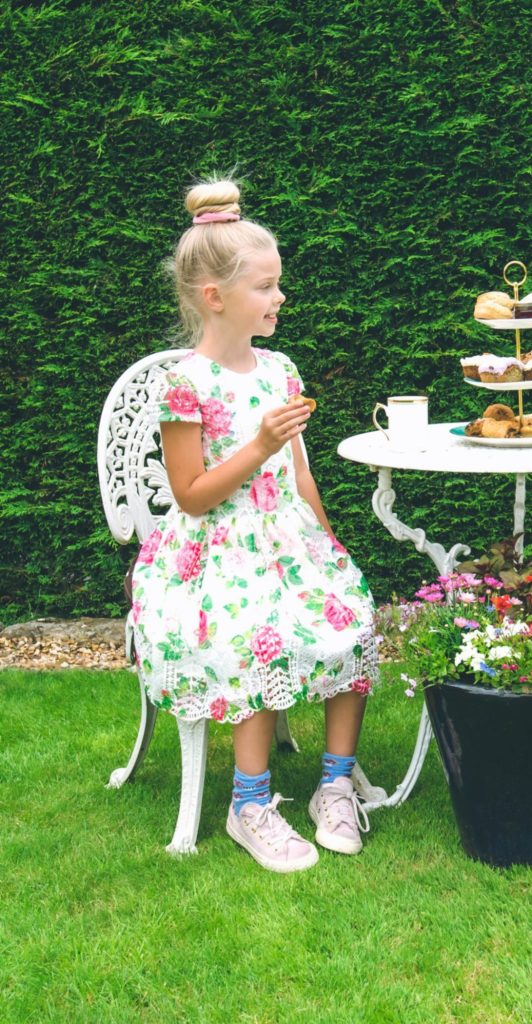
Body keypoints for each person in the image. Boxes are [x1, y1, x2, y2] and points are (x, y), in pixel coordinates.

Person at [130, 178, 378, 873]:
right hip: (212, 555)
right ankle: (250, 804)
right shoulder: (185, 383)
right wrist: (260, 445)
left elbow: (301, 477)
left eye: (278, 285)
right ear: (216, 298)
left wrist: (329, 548)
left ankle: (334, 783)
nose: (279, 298)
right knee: (258, 636)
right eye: (266, 287)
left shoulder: (280, 369)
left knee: (351, 616)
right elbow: (192, 496)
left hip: (286, 540)